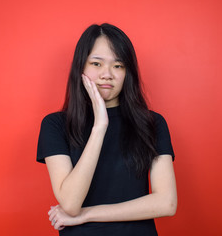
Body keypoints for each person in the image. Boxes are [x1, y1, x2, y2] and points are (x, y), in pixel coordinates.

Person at [37, 23, 177, 236]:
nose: (107, 74)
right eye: (96, 63)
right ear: (80, 68)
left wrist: (87, 214)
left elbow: (166, 203)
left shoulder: (152, 123)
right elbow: (71, 203)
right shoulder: (55, 125)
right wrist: (100, 126)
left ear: (127, 72)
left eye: (118, 66)